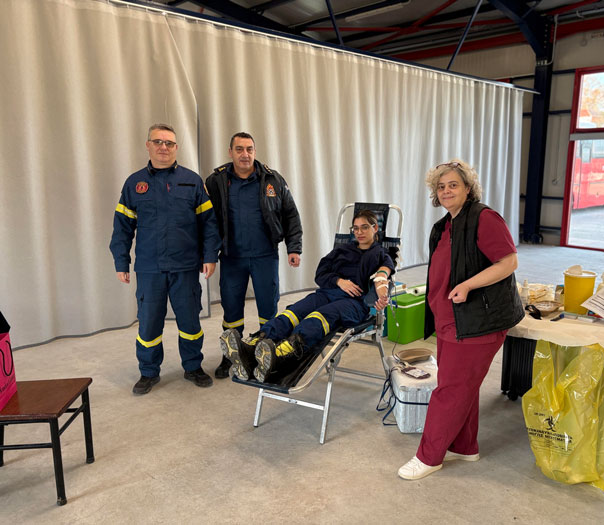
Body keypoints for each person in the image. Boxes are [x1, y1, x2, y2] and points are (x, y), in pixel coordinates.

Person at [398, 160, 524, 480]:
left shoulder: (484, 218)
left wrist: (468, 285)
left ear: (468, 188)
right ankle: (464, 446)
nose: (446, 191)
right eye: (440, 187)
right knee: (461, 386)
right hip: (449, 318)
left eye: (453, 184)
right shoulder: (443, 226)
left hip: (476, 320)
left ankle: (429, 457)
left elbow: (509, 262)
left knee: (450, 390)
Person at [110, 124, 221, 395]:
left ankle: (193, 367)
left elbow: (209, 223)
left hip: (185, 267)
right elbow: (122, 227)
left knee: (190, 323)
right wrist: (121, 262)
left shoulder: (192, 181)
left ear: (176, 148)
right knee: (148, 323)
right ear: (148, 145)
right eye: (158, 142)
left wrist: (210, 256)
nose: (164, 147)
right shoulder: (134, 184)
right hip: (150, 268)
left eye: (169, 143)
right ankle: (148, 372)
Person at [221, 210, 393, 384]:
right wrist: (339, 281)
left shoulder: (381, 255)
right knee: (294, 311)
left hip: (354, 303)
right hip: (327, 292)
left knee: (319, 316)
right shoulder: (341, 250)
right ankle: (253, 346)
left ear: (375, 228)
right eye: (355, 228)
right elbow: (321, 274)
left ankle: (281, 355)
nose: (359, 232)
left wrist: (381, 298)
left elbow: (381, 278)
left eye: (364, 227)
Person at [205, 132, 302, 379]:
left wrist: (294, 247)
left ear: (255, 151)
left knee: (268, 309)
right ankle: (231, 356)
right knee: (231, 311)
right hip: (232, 257)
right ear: (230, 152)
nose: (245, 154)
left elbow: (290, 214)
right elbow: (208, 221)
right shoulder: (216, 181)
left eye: (249, 149)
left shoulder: (273, 179)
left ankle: (265, 355)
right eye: (239, 149)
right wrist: (208, 254)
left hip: (265, 256)